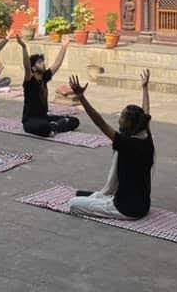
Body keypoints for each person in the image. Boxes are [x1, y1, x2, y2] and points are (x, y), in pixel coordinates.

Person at [66, 69, 154, 220]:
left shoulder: (127, 143)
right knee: (92, 196)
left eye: (122, 117)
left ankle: (100, 198)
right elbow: (145, 113)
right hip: (144, 205)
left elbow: (99, 122)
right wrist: (145, 88)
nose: (119, 119)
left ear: (130, 124)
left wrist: (81, 97)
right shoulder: (146, 138)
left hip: (125, 209)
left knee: (73, 203)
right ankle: (100, 196)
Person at [20, 35, 79, 136]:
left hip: (44, 117)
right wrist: (24, 48)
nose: (43, 64)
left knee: (74, 121)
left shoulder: (44, 77)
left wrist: (64, 46)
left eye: (42, 61)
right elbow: (26, 66)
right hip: (30, 120)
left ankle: (54, 127)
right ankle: (53, 127)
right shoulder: (30, 80)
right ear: (33, 68)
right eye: (39, 62)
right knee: (44, 127)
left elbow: (57, 63)